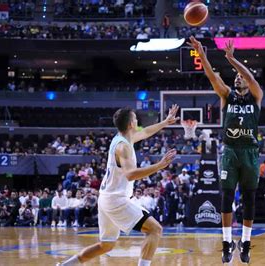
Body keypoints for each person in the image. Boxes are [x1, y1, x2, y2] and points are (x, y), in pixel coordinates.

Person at [57, 105, 179, 266]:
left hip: (107, 198)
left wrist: (165, 122)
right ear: (130, 124)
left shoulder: (123, 138)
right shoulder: (123, 147)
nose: (137, 121)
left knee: (106, 245)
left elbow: (146, 132)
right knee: (155, 230)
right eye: (135, 118)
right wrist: (159, 165)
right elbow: (130, 174)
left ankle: (65, 265)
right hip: (116, 200)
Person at [188, 36, 263, 264]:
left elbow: (249, 76)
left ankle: (246, 243)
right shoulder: (226, 96)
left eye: (242, 76)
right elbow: (211, 76)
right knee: (227, 197)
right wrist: (202, 55)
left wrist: (232, 59)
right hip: (230, 152)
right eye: (236, 76)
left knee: (249, 198)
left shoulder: (257, 96)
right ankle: (227, 243)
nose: (239, 77)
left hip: (250, 153)